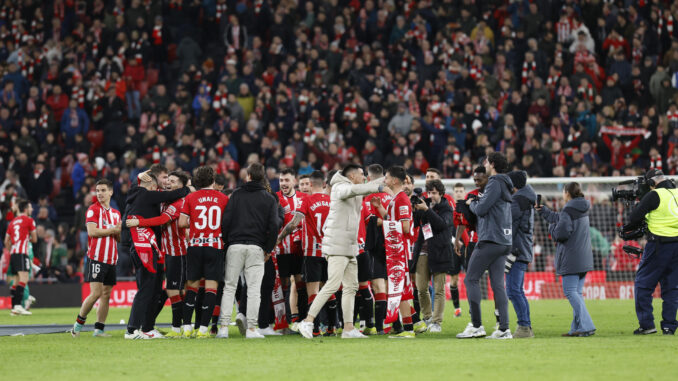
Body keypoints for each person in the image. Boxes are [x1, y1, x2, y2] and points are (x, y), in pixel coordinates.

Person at [298, 164, 387, 339]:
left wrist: (387, 179)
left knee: (351, 286)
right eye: (362, 175)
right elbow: (357, 189)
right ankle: (307, 321)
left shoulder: (353, 188)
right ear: (352, 176)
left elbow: (362, 190)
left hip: (349, 245)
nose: (364, 178)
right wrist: (383, 185)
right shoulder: (340, 187)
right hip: (337, 245)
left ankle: (348, 328)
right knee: (332, 284)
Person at [217, 163, 280, 339]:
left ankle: (223, 328)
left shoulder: (236, 195)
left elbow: (226, 221)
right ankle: (252, 329)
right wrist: (268, 248)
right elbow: (274, 226)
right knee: (254, 289)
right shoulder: (269, 198)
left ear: (248, 176)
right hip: (257, 248)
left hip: (235, 246)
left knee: (229, 287)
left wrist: (228, 242)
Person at [122, 172, 189, 339]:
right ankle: (132, 330)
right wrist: (189, 187)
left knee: (152, 289)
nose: (164, 185)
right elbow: (174, 195)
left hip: (146, 247)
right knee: (147, 289)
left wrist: (138, 177)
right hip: (144, 247)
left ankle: (146, 328)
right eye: (164, 180)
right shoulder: (147, 195)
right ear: (152, 186)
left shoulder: (136, 194)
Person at [457, 152, 513, 339]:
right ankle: (504, 329)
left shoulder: (495, 182)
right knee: (498, 285)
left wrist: (472, 202)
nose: (485, 164)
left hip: (491, 239)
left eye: (486, 162)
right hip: (504, 240)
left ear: (493, 164)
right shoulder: (505, 183)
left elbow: (481, 209)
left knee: (470, 279)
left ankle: (476, 326)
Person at [277, 171, 335, 336]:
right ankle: (332, 326)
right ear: (324, 184)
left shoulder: (306, 200)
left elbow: (293, 224)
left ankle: (314, 329)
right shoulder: (332, 201)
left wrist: (279, 238)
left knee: (313, 292)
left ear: (310, 185)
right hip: (329, 251)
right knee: (328, 289)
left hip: (312, 252)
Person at [537, 182, 596, 337]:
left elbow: (561, 234)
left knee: (570, 292)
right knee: (576, 293)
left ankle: (587, 325)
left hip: (572, 258)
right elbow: (561, 218)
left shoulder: (568, 209)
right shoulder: (581, 207)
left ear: (567, 193)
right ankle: (577, 328)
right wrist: (545, 212)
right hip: (584, 257)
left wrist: (551, 229)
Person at [178, 166, 229, 339]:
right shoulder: (223, 198)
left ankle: (186, 328)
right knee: (211, 288)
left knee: (191, 286)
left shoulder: (190, 197)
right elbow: (227, 223)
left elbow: (182, 222)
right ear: (213, 180)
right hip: (214, 246)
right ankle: (203, 330)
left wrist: (195, 224)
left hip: (195, 245)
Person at [625, 169, 678, 335]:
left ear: (651, 183)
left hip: (659, 244)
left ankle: (647, 325)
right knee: (672, 288)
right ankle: (669, 326)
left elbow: (633, 218)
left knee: (643, 284)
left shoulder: (654, 195)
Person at [369, 166, 416, 338]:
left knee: (401, 290)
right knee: (398, 290)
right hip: (394, 250)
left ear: (394, 180)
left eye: (387, 178)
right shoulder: (395, 199)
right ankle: (407, 327)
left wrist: (382, 224)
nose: (384, 180)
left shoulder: (402, 200)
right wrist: (380, 207)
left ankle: (410, 329)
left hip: (401, 250)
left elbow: (404, 227)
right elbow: (391, 219)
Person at [71, 179, 121, 337]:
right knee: (96, 293)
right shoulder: (93, 210)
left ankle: (99, 329)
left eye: (103, 190)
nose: (99, 193)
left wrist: (117, 231)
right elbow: (92, 232)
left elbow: (118, 238)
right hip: (97, 257)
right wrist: (113, 229)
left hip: (111, 258)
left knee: (106, 294)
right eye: (97, 190)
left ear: (110, 192)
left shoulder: (116, 213)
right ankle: (78, 325)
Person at [412, 179, 454, 333]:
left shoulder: (446, 208)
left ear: (441, 194)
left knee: (439, 289)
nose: (431, 196)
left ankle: (437, 322)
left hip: (440, 252)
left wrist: (427, 210)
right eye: (429, 192)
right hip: (423, 251)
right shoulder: (425, 205)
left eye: (434, 193)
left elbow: (442, 224)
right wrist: (415, 209)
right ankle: (428, 316)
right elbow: (416, 223)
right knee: (421, 288)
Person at [426, 168, 464, 318]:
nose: (429, 179)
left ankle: (437, 315)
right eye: (427, 176)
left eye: (432, 177)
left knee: (448, 281)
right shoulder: (422, 197)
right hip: (429, 246)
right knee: (423, 284)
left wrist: (461, 241)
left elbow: (455, 224)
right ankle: (430, 314)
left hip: (448, 244)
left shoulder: (447, 201)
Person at [361, 164, 392, 334]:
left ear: (370, 178)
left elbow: (368, 221)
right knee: (389, 286)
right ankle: (393, 323)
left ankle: (379, 326)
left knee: (377, 285)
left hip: (376, 246)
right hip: (394, 245)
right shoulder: (393, 196)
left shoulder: (368, 198)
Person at [506, 170, 536, 338]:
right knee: (516, 290)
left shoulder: (518, 202)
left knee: (513, 290)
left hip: (517, 251)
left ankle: (524, 327)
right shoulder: (525, 199)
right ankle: (526, 326)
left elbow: (506, 220)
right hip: (521, 249)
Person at [276, 169, 307, 324]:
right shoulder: (275, 198)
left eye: (286, 180)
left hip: (301, 249)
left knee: (301, 282)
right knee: (283, 285)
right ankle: (285, 321)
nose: (283, 183)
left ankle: (302, 319)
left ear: (294, 181)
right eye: (281, 180)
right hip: (281, 249)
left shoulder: (303, 198)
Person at [5, 199, 37, 316]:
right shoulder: (29, 220)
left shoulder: (12, 222)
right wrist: (26, 239)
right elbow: (35, 239)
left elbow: (6, 241)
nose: (31, 209)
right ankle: (18, 305)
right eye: (30, 207)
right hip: (22, 253)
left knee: (16, 280)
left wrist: (12, 249)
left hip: (13, 253)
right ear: (25, 209)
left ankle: (14, 308)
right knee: (24, 278)